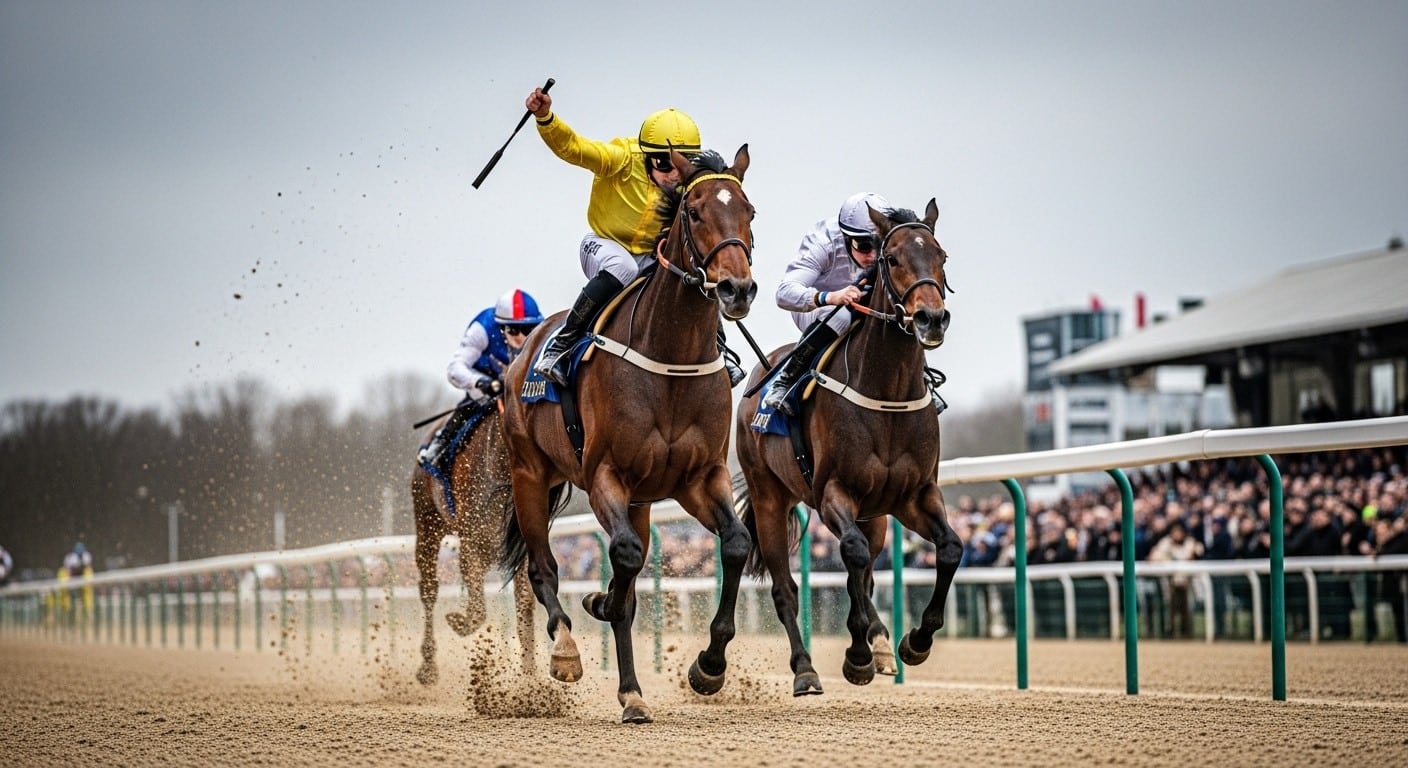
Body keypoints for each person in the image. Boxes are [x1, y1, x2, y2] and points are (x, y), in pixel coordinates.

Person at [521, 86, 744, 388]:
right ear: (646, 157)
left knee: (690, 272)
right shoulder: (620, 159)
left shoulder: (690, 180)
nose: (674, 174)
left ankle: (720, 348)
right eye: (664, 164)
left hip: (653, 255)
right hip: (605, 245)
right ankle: (561, 343)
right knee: (622, 267)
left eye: (681, 162)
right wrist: (546, 117)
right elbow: (573, 147)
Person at [762, 192, 894, 414]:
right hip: (818, 309)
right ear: (845, 237)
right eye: (863, 246)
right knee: (840, 314)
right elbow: (784, 294)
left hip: (867, 308)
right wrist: (830, 297)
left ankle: (922, 376)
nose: (872, 255)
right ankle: (785, 381)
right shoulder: (823, 242)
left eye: (878, 246)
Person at [418, 288, 543, 471]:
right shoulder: (482, 328)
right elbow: (455, 368)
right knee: (476, 403)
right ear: (501, 327)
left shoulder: (542, 332)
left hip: (519, 385)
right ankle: (440, 445)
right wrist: (480, 382)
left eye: (528, 329)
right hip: (485, 383)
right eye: (514, 330)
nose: (522, 338)